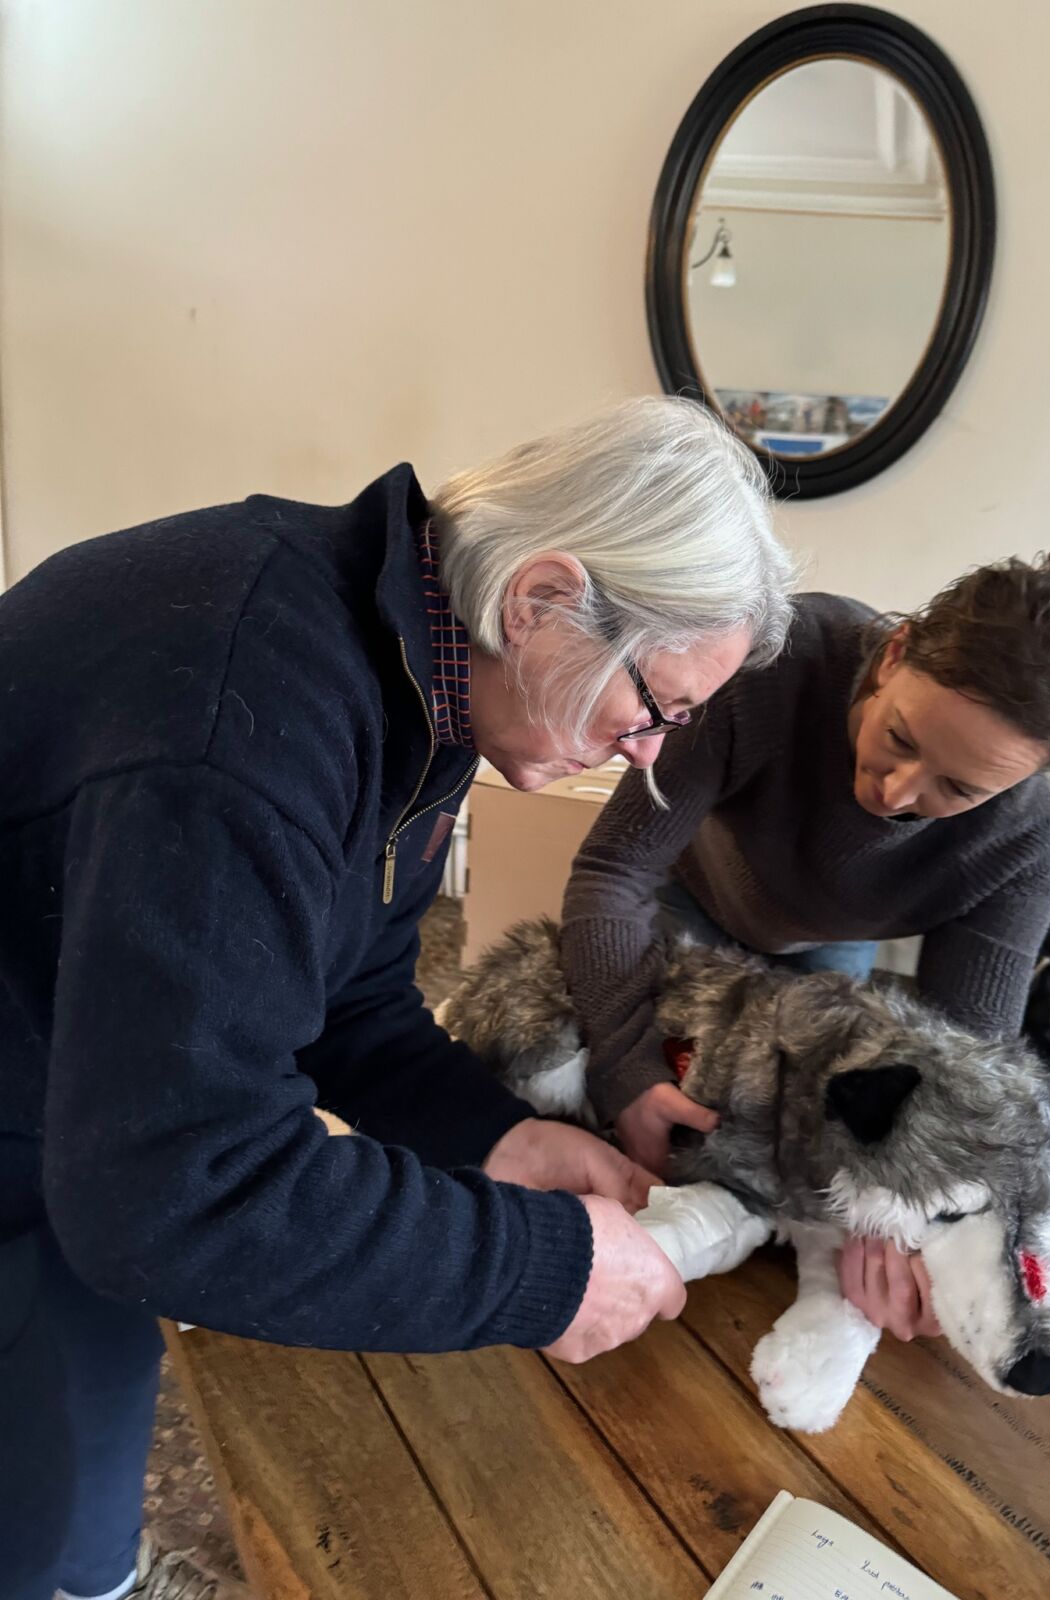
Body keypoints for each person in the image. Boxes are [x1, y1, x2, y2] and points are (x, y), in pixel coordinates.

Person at [0, 396, 795, 1600]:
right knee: (43, 1529)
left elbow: (353, 989)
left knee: (77, 1480)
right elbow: (179, 1188)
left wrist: (497, 1136)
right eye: (656, 705)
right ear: (540, 599)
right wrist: (543, 1268)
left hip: (89, 1073)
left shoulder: (425, 668)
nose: (649, 752)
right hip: (51, 1103)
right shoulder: (248, 720)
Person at [561, 536, 1050, 1344]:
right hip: (682, 900)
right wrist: (624, 1061)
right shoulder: (775, 660)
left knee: (793, 1158)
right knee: (628, 1124)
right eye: (902, 738)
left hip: (824, 954)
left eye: (959, 788)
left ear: (1021, 784)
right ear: (895, 652)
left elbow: (957, 1069)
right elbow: (611, 874)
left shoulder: (1019, 847)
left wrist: (903, 1208)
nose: (897, 793)